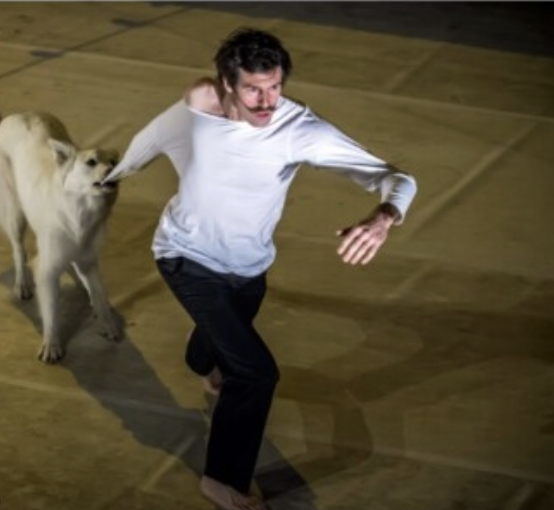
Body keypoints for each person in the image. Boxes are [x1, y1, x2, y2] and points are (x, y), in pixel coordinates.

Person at [103, 28, 417, 510]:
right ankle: (222, 480)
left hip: (249, 266)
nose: (267, 101)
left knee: (214, 350)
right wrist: (112, 176)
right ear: (227, 84)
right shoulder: (199, 104)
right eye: (253, 88)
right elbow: (153, 138)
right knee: (255, 373)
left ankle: (204, 363)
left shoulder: (298, 129)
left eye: (275, 87)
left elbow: (397, 178)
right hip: (183, 255)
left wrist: (383, 217)